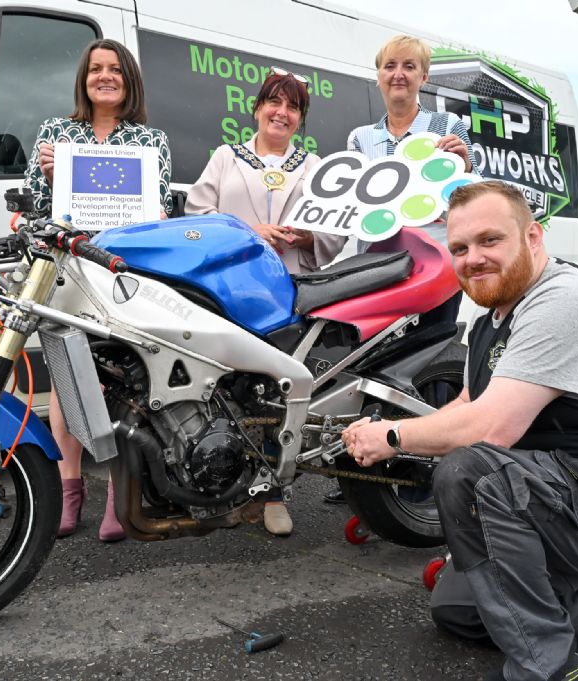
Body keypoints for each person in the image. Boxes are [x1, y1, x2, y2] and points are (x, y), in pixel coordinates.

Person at [341, 180, 578, 681]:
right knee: (462, 613)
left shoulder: (566, 299)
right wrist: (393, 432)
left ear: (533, 237)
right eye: (460, 249)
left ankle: (557, 667)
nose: (473, 258)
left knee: (472, 474)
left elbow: (490, 428)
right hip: (574, 492)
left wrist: (389, 438)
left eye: (490, 240)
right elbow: (470, 404)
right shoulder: (489, 319)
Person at [24, 38, 173, 541]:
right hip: (66, 273)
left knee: (118, 385)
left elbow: (162, 218)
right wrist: (51, 176)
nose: (104, 77)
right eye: (95, 69)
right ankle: (70, 490)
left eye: (114, 69)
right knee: (67, 383)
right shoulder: (54, 134)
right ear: (84, 80)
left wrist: (153, 213)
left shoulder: (150, 142)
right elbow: (28, 210)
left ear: (128, 79)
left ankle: (117, 493)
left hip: (120, 278)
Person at [185, 68, 345, 534]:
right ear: (256, 108)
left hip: (291, 290)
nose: (282, 112)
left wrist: (308, 234)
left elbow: (335, 229)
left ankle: (274, 492)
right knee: (228, 387)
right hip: (231, 288)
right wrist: (249, 231)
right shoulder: (224, 157)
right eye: (274, 102)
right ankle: (229, 489)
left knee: (278, 390)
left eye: (293, 106)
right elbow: (196, 214)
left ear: (300, 119)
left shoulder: (315, 168)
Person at [324, 33, 478, 505]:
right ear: (378, 76)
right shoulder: (360, 138)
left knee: (427, 360)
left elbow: (465, 194)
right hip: (380, 266)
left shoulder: (448, 125)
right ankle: (357, 468)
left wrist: (465, 162)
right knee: (369, 363)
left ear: (424, 77)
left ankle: (424, 468)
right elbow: (351, 200)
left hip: (434, 264)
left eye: (409, 66)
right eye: (390, 65)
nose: (399, 74)